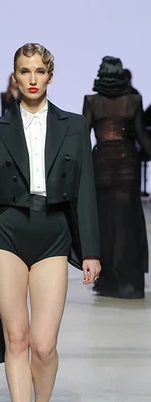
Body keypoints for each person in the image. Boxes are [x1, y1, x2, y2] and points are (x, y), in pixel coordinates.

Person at [0, 43, 101, 402]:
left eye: (39, 71)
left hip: (53, 232)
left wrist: (91, 249)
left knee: (44, 345)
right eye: (24, 71)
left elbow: (85, 189)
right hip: (5, 232)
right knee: (17, 338)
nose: (32, 79)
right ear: (15, 77)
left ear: (50, 76)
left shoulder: (74, 125)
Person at [84, 57, 151, 298]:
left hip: (101, 164)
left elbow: (83, 137)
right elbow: (142, 137)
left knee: (104, 222)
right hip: (126, 166)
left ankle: (107, 281)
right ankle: (128, 283)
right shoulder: (133, 101)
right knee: (126, 222)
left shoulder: (91, 101)